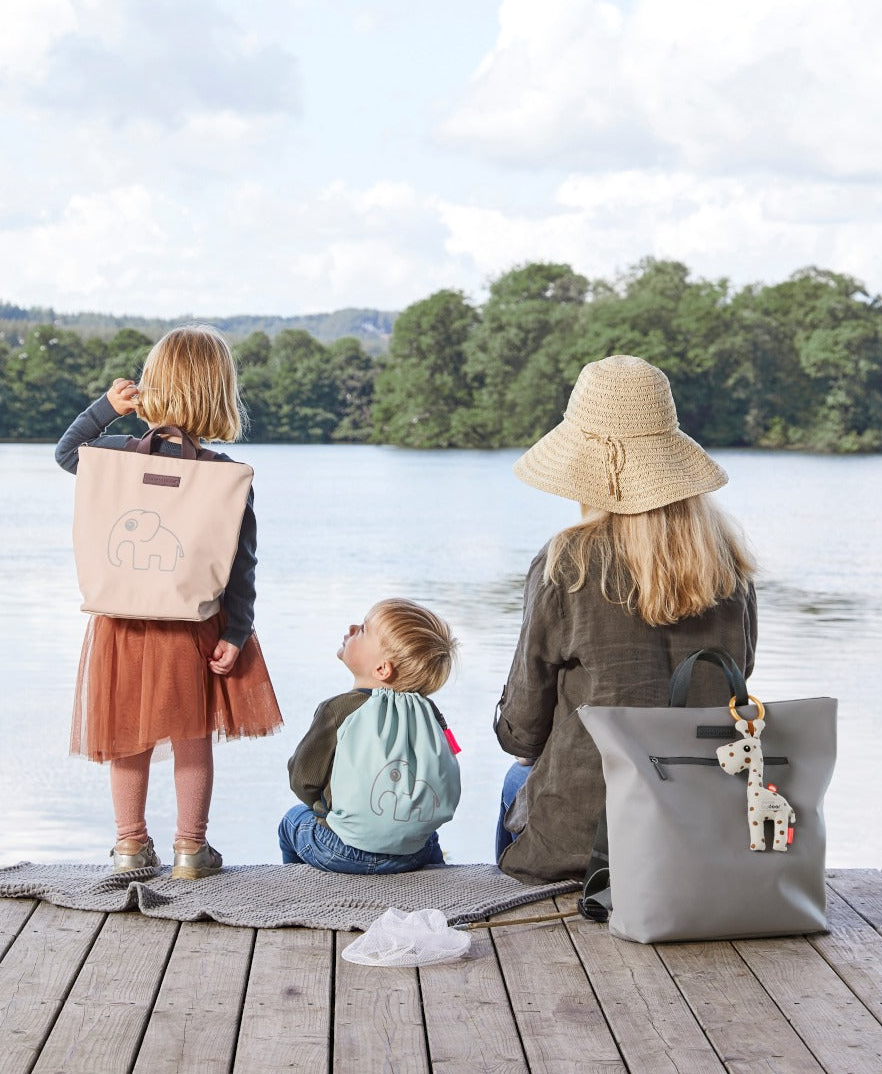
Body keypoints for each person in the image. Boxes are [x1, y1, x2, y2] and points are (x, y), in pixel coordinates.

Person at [494, 354, 757, 884]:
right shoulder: (729, 565)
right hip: (697, 834)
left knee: (514, 779)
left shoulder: (565, 564)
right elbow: (737, 677)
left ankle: (526, 894)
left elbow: (522, 733)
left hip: (588, 845)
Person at [56, 324, 282, 879]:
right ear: (219, 396)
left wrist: (105, 409)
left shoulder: (112, 456)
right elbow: (240, 568)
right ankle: (190, 850)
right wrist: (237, 633)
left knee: (124, 738)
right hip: (192, 624)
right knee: (192, 735)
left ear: (152, 389)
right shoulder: (225, 478)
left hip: (122, 623)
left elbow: (65, 455)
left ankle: (130, 847)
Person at [279, 598, 461, 874]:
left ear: (382, 669)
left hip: (340, 850)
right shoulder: (430, 713)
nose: (352, 628)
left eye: (363, 629)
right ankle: (433, 873)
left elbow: (303, 781)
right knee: (427, 835)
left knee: (291, 821)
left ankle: (300, 886)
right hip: (415, 852)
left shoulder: (338, 710)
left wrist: (324, 809)